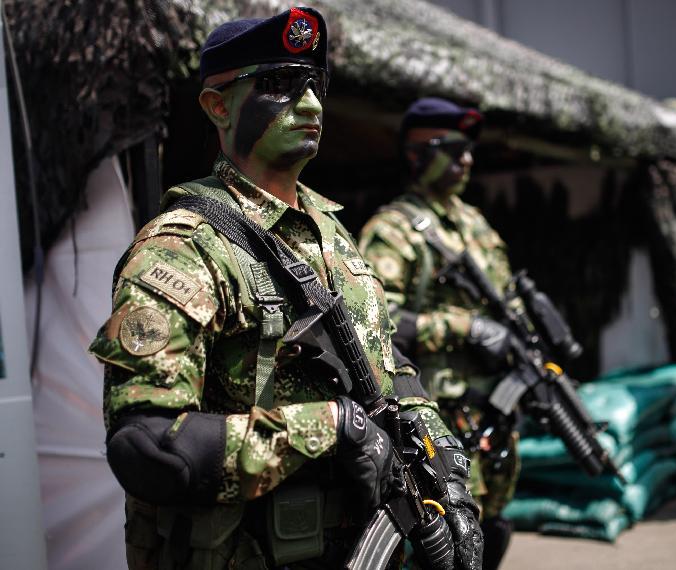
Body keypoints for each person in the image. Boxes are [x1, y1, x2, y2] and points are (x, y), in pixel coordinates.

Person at [89, 9, 482, 569]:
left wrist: (445, 462)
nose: (312, 105)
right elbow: (146, 445)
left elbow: (387, 363)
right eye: (279, 84)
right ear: (218, 106)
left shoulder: (333, 234)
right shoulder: (183, 248)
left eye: (315, 85)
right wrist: (331, 429)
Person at [358, 97, 518, 569]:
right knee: (442, 544)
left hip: (490, 410)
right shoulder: (394, 230)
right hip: (437, 422)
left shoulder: (474, 223)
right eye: (452, 149)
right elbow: (377, 322)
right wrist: (464, 328)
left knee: (492, 531)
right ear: (417, 154)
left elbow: (506, 296)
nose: (465, 160)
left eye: (469, 150)